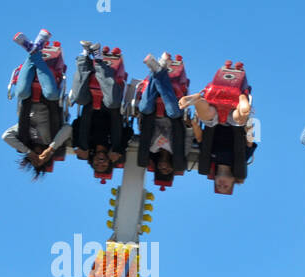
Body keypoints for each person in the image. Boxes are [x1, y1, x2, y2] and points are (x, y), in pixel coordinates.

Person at [5, 32, 71, 178]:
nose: (38, 156)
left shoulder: (24, 139)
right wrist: (51, 149)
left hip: (28, 99)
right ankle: (35, 49)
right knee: (51, 94)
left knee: (21, 93)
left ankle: (33, 49)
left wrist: (28, 151)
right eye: (42, 159)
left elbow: (6, 136)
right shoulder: (51, 140)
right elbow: (68, 128)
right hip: (48, 101)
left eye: (35, 160)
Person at [182, 61, 254, 194]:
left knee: (208, 115)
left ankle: (197, 100)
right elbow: (250, 142)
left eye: (218, 186)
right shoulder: (241, 161)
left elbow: (200, 139)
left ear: (214, 180)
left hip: (214, 122)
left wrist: (194, 123)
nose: (221, 184)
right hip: (234, 122)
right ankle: (243, 100)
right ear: (233, 181)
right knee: (238, 119)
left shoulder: (210, 159)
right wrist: (251, 126)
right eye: (225, 186)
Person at [69, 43, 129, 179]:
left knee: (78, 98)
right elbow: (128, 131)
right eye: (104, 165)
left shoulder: (86, 144)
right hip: (110, 106)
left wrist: (76, 145)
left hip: (90, 105)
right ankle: (98, 59)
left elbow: (76, 123)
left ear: (92, 161)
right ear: (109, 162)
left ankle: (84, 55)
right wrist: (118, 149)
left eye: (96, 165)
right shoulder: (115, 146)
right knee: (112, 102)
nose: (100, 162)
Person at [133, 52, 189, 182]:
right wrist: (189, 125)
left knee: (145, 107)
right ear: (172, 168)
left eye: (160, 170)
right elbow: (188, 136)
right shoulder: (179, 152)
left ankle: (158, 70)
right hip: (173, 117)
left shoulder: (152, 148)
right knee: (172, 112)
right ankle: (158, 70)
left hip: (151, 115)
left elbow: (141, 131)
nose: (163, 167)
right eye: (167, 170)